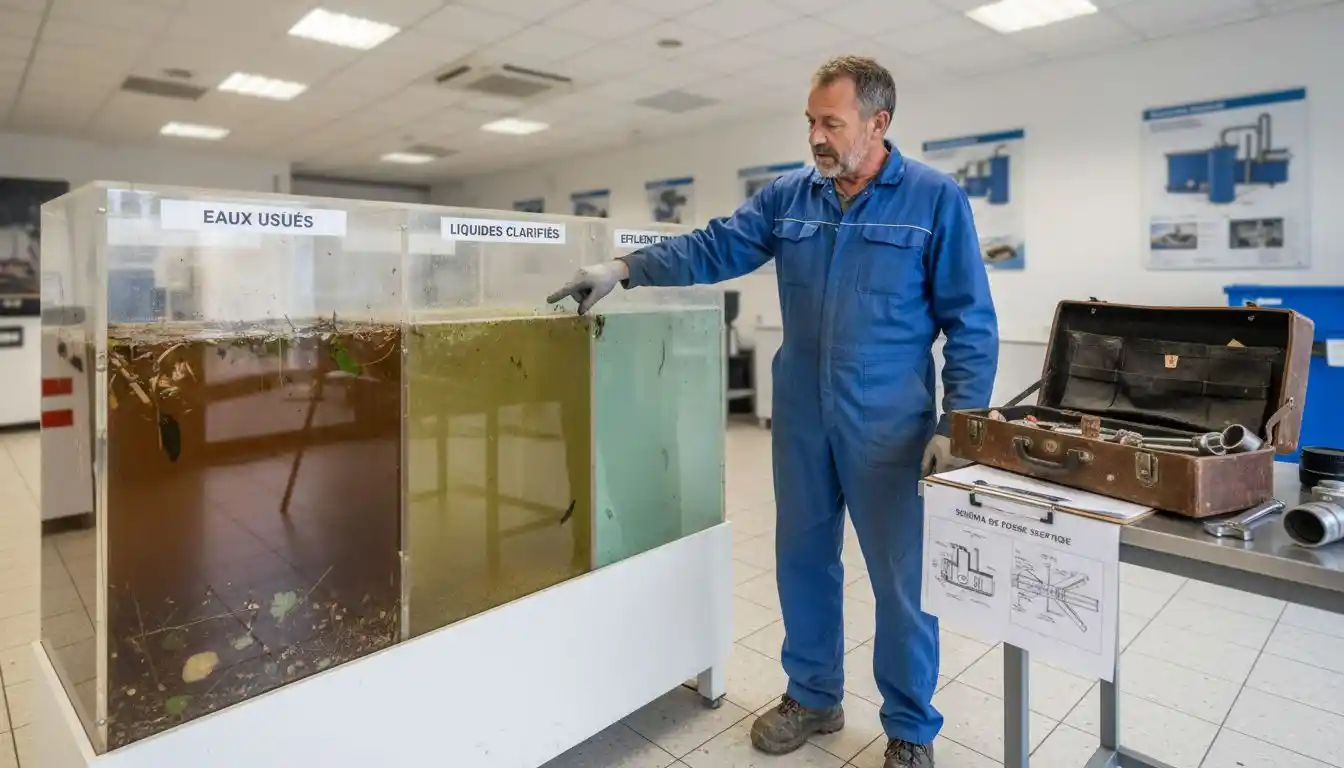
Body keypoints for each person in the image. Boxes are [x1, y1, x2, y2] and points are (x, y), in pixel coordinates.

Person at [546, 55, 998, 768]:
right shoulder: (791, 198)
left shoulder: (934, 200)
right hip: (801, 414)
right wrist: (625, 269)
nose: (816, 136)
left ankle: (911, 729)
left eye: (831, 123)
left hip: (890, 424)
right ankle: (814, 696)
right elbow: (716, 245)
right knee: (803, 561)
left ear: (878, 124)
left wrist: (959, 422)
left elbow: (971, 320)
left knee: (901, 581)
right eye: (810, 121)